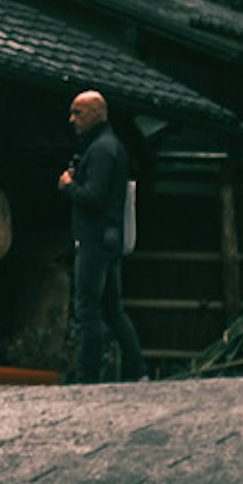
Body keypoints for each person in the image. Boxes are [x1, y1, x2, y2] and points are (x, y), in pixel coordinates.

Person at [60, 90, 148, 385]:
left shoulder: (100, 149)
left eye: (78, 112)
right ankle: (138, 370)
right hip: (109, 239)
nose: (72, 119)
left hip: (94, 240)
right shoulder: (112, 147)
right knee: (112, 309)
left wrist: (69, 185)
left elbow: (92, 196)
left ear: (97, 113)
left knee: (88, 308)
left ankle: (89, 376)